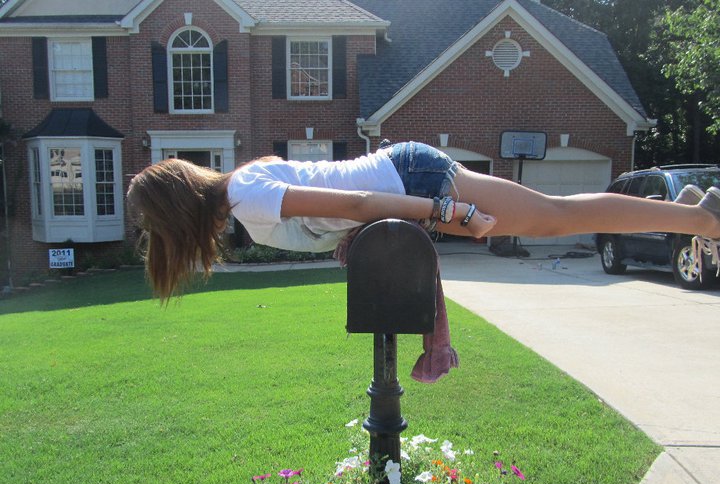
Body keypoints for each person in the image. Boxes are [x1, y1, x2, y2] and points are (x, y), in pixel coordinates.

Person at [127, 141, 720, 301]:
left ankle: (702, 217)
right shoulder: (244, 189)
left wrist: (445, 212)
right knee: (551, 218)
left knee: (553, 219)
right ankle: (693, 211)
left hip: (412, 181)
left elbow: (359, 205)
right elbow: (345, 205)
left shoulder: (249, 200)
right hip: (406, 186)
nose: (159, 240)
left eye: (156, 228)